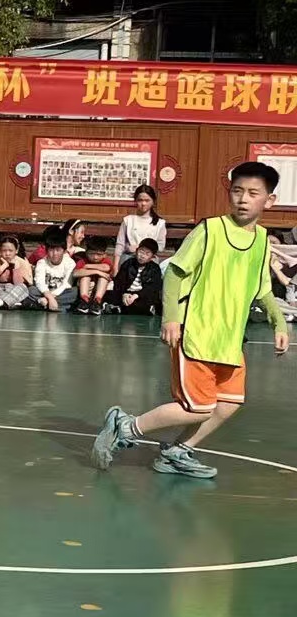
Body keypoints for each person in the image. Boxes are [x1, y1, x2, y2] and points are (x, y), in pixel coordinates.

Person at [93, 162, 289, 479]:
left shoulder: (263, 240)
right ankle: (125, 426)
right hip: (196, 332)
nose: (243, 199)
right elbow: (175, 274)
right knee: (196, 407)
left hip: (230, 339)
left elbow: (263, 288)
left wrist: (279, 322)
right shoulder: (210, 230)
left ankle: (177, 452)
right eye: (237, 191)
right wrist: (171, 318)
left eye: (253, 193)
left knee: (228, 403)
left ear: (270, 200)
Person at [105, 237, 162, 315]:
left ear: (152, 257)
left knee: (147, 300)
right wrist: (124, 294)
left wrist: (137, 295)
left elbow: (152, 287)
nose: (142, 256)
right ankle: (125, 307)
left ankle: (120, 308)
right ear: (136, 250)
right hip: (127, 293)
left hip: (141, 295)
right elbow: (119, 282)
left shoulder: (155, 268)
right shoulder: (128, 264)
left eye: (147, 254)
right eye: (141, 251)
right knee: (109, 294)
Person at [116, 185, 167, 263]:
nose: (143, 203)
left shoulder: (160, 223)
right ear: (135, 201)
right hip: (129, 259)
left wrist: (145, 250)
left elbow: (161, 246)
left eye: (147, 200)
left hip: (150, 261)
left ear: (153, 201)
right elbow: (120, 244)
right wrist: (128, 248)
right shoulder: (128, 220)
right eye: (140, 200)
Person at [28, 232, 77, 312]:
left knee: (74, 292)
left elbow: (67, 284)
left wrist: (51, 298)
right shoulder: (41, 262)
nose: (54, 254)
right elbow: (39, 282)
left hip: (61, 293)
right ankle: (58, 305)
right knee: (31, 290)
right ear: (47, 251)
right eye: (51, 250)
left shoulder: (70, 263)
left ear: (64, 251)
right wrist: (49, 297)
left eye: (58, 250)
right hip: (44, 292)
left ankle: (43, 303)